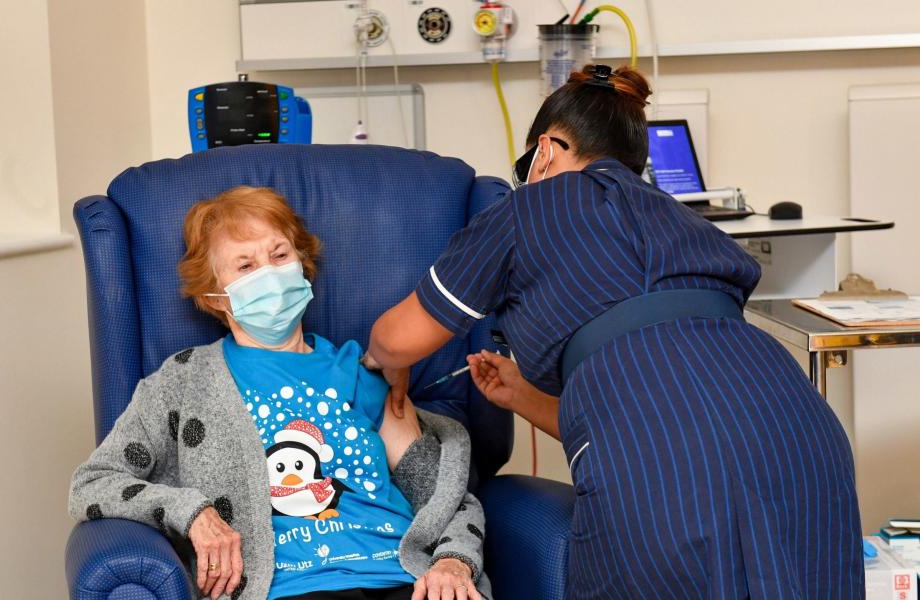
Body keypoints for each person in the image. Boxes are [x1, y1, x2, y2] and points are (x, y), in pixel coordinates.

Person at [364, 65, 863, 599]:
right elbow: (677, 400)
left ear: (546, 151)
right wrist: (520, 395)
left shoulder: (528, 208)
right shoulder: (687, 220)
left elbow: (398, 340)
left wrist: (379, 364)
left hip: (663, 466)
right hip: (800, 435)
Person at [69, 186, 491, 600]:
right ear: (214, 296)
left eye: (279, 255)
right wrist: (192, 513)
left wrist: (453, 561)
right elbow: (92, 484)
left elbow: (442, 494)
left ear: (302, 264)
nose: (269, 274)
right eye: (245, 266)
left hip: (401, 575)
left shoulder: (360, 372)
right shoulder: (183, 382)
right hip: (288, 587)